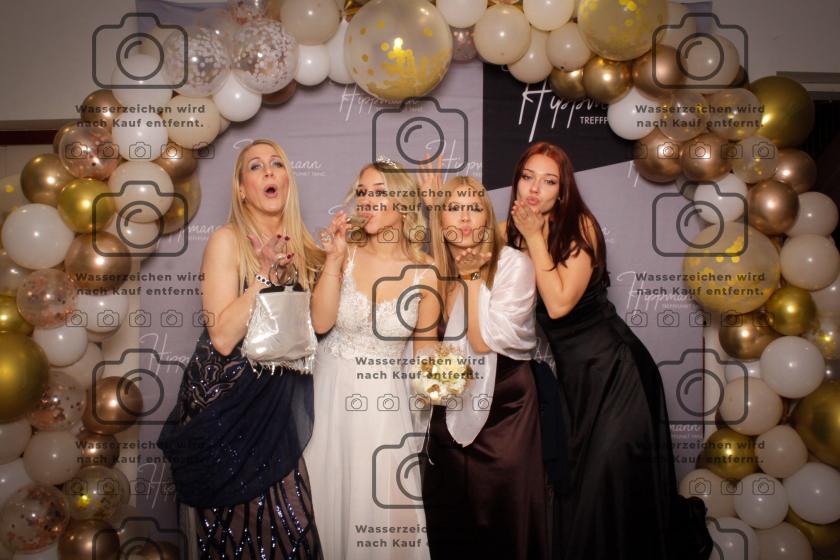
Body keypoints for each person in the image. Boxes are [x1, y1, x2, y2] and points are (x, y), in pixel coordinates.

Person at [502, 141, 706, 559]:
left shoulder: (579, 228)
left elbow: (558, 305)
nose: (535, 189)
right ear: (517, 181)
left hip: (618, 373)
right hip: (576, 383)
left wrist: (535, 238)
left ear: (563, 190)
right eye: (527, 177)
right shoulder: (511, 234)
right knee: (582, 496)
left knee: (610, 492)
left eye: (549, 181)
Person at [157, 139, 324, 559]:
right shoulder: (226, 241)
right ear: (241, 188)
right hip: (223, 406)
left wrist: (336, 259)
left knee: (289, 532)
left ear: (287, 180)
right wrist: (264, 275)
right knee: (234, 538)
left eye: (276, 164)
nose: (268, 171)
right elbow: (222, 337)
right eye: (255, 166)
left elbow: (320, 325)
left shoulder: (303, 246)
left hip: (273, 409)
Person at [304, 158, 437, 560]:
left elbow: (425, 349)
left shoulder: (426, 272)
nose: (367, 200)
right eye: (362, 192)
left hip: (382, 409)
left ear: (403, 203)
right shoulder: (346, 251)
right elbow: (320, 322)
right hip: (327, 396)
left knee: (377, 510)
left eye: (379, 192)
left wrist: (441, 379)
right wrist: (332, 260)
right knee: (323, 500)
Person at [420, 175, 547, 559]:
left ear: (487, 217)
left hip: (506, 411)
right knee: (452, 521)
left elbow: (482, 342)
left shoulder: (514, 265)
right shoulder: (437, 272)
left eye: (474, 208)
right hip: (452, 404)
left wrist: (473, 281)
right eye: (454, 209)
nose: (464, 218)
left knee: (504, 518)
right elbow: (430, 359)